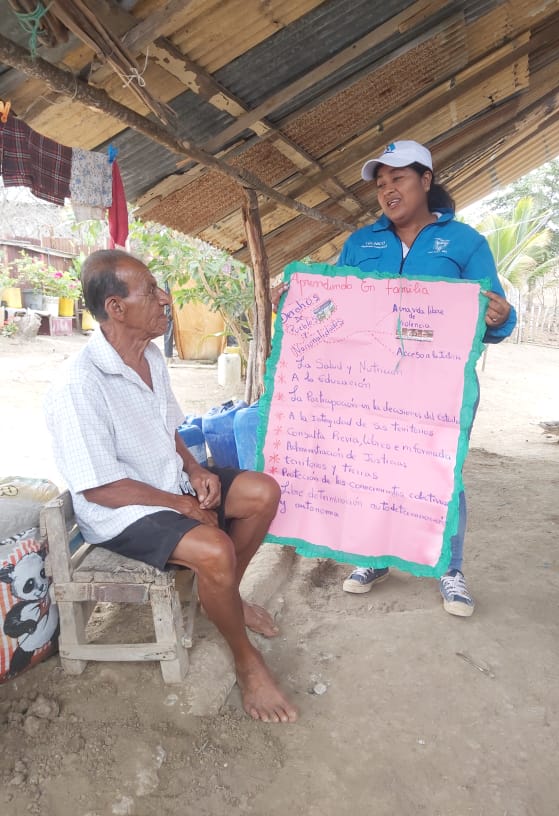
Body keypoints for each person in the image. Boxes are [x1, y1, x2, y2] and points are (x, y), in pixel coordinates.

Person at [45, 249, 297, 724]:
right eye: (150, 291)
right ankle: (246, 661)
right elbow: (99, 489)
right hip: (122, 510)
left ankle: (226, 597)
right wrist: (180, 505)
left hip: (166, 483)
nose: (165, 298)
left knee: (263, 492)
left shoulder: (150, 357)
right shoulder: (78, 385)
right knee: (216, 550)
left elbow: (169, 429)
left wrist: (195, 470)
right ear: (116, 308)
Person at [272, 140, 515, 616]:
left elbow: (495, 314)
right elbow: (333, 306)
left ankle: (450, 569)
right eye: (381, 183)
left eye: (398, 179)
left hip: (439, 389)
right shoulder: (361, 243)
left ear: (425, 180)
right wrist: (297, 301)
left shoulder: (465, 243)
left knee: (442, 474)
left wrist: (501, 317)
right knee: (375, 470)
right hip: (371, 387)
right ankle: (375, 557)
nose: (388, 190)